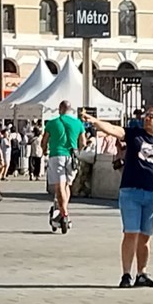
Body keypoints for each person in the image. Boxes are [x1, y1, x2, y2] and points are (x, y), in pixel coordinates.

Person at [82, 105, 153, 288]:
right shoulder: (135, 134)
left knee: (145, 236)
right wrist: (95, 122)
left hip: (152, 193)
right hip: (130, 191)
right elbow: (115, 130)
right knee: (130, 233)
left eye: (152, 116)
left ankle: (142, 273)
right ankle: (126, 274)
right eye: (147, 115)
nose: (148, 118)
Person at [42, 101, 86, 235]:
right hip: (72, 156)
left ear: (60, 109)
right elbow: (83, 142)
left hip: (57, 154)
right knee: (67, 185)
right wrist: (78, 151)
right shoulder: (78, 123)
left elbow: (44, 141)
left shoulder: (52, 123)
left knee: (59, 186)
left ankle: (64, 213)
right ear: (70, 109)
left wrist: (44, 151)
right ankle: (64, 210)